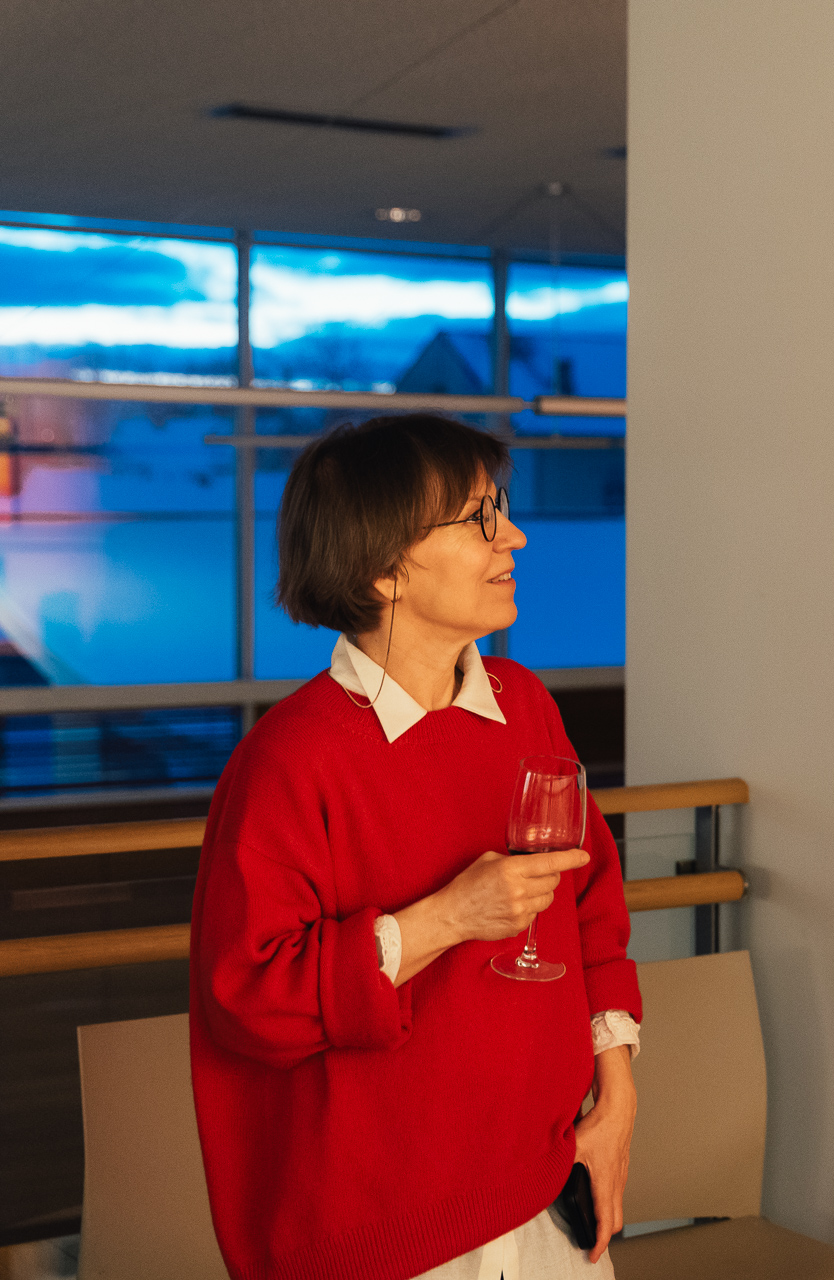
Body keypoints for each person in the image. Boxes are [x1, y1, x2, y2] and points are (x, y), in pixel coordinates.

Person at [189, 414, 641, 1280]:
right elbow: (248, 999)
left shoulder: (525, 706)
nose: (513, 536)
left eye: (502, 509)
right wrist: (447, 919)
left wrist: (616, 1095)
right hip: (387, 1241)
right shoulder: (289, 761)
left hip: (548, 1205)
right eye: (480, 518)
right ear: (384, 569)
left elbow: (591, 910)